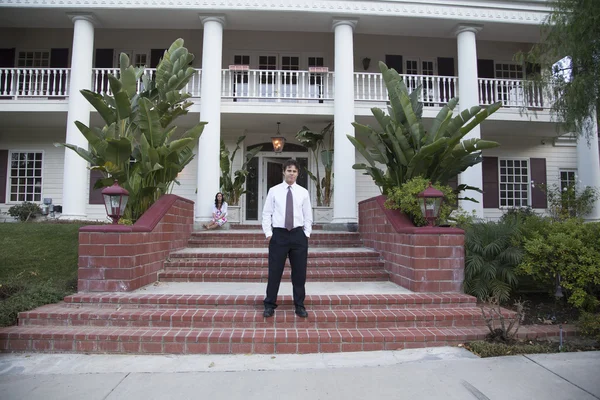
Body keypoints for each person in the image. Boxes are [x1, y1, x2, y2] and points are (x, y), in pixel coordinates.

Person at [261, 159, 313, 318]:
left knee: (299, 274)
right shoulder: (274, 190)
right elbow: (266, 213)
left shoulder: (303, 192)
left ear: (298, 173)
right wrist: (269, 234)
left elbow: (307, 215)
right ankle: (269, 304)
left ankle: (299, 305)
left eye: (294, 171)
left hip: (298, 235)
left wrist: (306, 234)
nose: (292, 173)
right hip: (279, 235)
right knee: (274, 272)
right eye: (289, 170)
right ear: (284, 172)